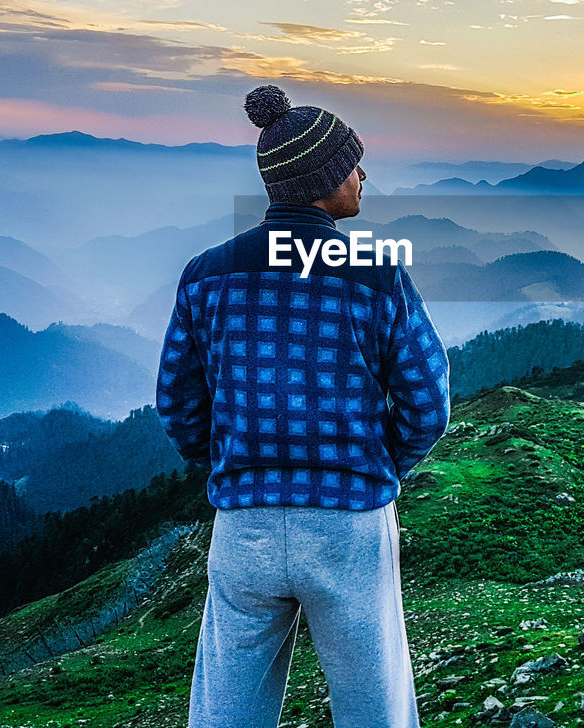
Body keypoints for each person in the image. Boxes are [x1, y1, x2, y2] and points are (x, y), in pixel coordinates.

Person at [154, 85, 451, 728]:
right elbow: (428, 401)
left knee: (227, 709)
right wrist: (377, 465)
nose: (363, 174)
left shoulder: (205, 274)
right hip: (349, 522)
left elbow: (177, 402)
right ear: (321, 179)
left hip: (245, 524)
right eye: (352, 162)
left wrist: (233, 460)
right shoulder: (375, 271)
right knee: (376, 707)